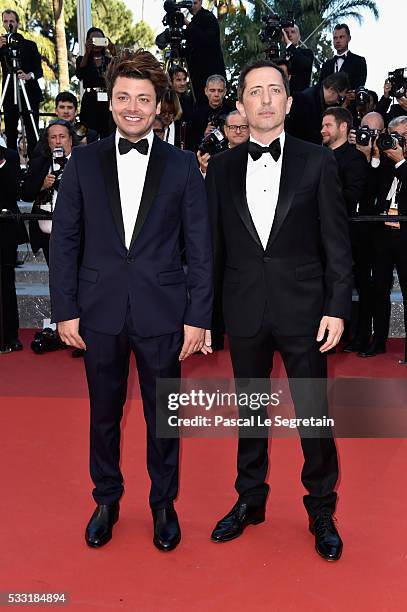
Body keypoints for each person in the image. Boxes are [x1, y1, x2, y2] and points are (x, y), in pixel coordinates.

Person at [49, 50, 213, 552]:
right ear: (111, 101)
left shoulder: (183, 166)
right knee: (104, 412)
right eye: (124, 98)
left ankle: (163, 503)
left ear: (160, 104)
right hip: (98, 312)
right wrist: (65, 309)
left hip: (163, 311)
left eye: (144, 99)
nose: (133, 108)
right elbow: (65, 242)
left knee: (163, 416)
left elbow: (201, 247)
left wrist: (198, 317)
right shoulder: (83, 160)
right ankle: (107, 499)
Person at [206, 59, 352, 561]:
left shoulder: (318, 161)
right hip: (244, 307)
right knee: (250, 412)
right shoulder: (222, 167)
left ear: (290, 103)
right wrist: (203, 314)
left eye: (275, 91)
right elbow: (213, 248)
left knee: (313, 415)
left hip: (306, 310)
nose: (265, 100)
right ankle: (250, 499)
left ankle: (321, 509)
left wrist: (337, 305)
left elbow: (337, 242)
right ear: (241, 103)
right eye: (254, 92)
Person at [358, 116, 407, 358]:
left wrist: (401, 163)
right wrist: (375, 157)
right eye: (393, 136)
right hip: (383, 235)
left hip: (404, 237)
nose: (396, 142)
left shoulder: (400, 164)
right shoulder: (387, 163)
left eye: (401, 137)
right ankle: (378, 341)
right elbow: (369, 193)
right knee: (379, 289)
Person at [20, 120, 75, 266]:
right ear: (48, 142)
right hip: (47, 233)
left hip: (76, 231)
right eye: (53, 137)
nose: (58, 141)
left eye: (62, 137)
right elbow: (25, 194)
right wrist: (42, 185)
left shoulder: (82, 161)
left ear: (70, 139)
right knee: (56, 276)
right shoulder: (39, 162)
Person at [0, 9, 43, 157]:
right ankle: (13, 170)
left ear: (17, 23)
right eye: (5, 21)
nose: (8, 24)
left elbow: (39, 70)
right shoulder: (2, 45)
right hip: (9, 92)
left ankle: (34, 168)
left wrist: (28, 75)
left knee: (32, 131)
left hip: (29, 92)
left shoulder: (30, 45)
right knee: (10, 132)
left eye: (11, 21)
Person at [0, 142, 27, 351]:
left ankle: (10, 334)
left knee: (6, 282)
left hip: (5, 228)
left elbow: (14, 190)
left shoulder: (8, 156)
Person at [288, 72, 350, 144]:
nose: (338, 102)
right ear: (332, 89)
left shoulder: (317, 97)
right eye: (339, 98)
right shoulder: (304, 100)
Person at [184, 0, 226, 106]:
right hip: (197, 79)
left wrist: (187, 24)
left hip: (211, 77)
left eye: (196, 1)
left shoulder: (208, 17)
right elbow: (190, 50)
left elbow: (207, 40)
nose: (193, 2)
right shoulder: (194, 22)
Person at [76, 27, 115, 138]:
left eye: (100, 39)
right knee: (89, 133)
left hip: (106, 99)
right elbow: (80, 74)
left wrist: (113, 51)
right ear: (88, 41)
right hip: (90, 99)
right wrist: (87, 52)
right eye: (94, 40)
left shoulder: (109, 60)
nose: (97, 43)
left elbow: (120, 70)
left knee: (107, 132)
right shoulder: (82, 59)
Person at [319, 24, 367, 90]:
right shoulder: (326, 65)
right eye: (335, 38)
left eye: (341, 37)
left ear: (349, 38)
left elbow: (359, 86)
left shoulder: (359, 61)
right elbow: (320, 88)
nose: (338, 41)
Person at [188, 74, 230, 151]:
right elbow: (191, 144)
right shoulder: (196, 115)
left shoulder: (232, 113)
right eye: (212, 90)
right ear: (206, 91)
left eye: (220, 91)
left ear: (225, 92)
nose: (216, 95)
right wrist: (205, 137)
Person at [282, 24, 313, 93]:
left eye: (293, 32)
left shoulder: (307, 53)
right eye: (286, 33)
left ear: (299, 36)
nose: (289, 35)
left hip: (300, 99)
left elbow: (304, 64)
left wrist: (289, 45)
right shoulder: (282, 57)